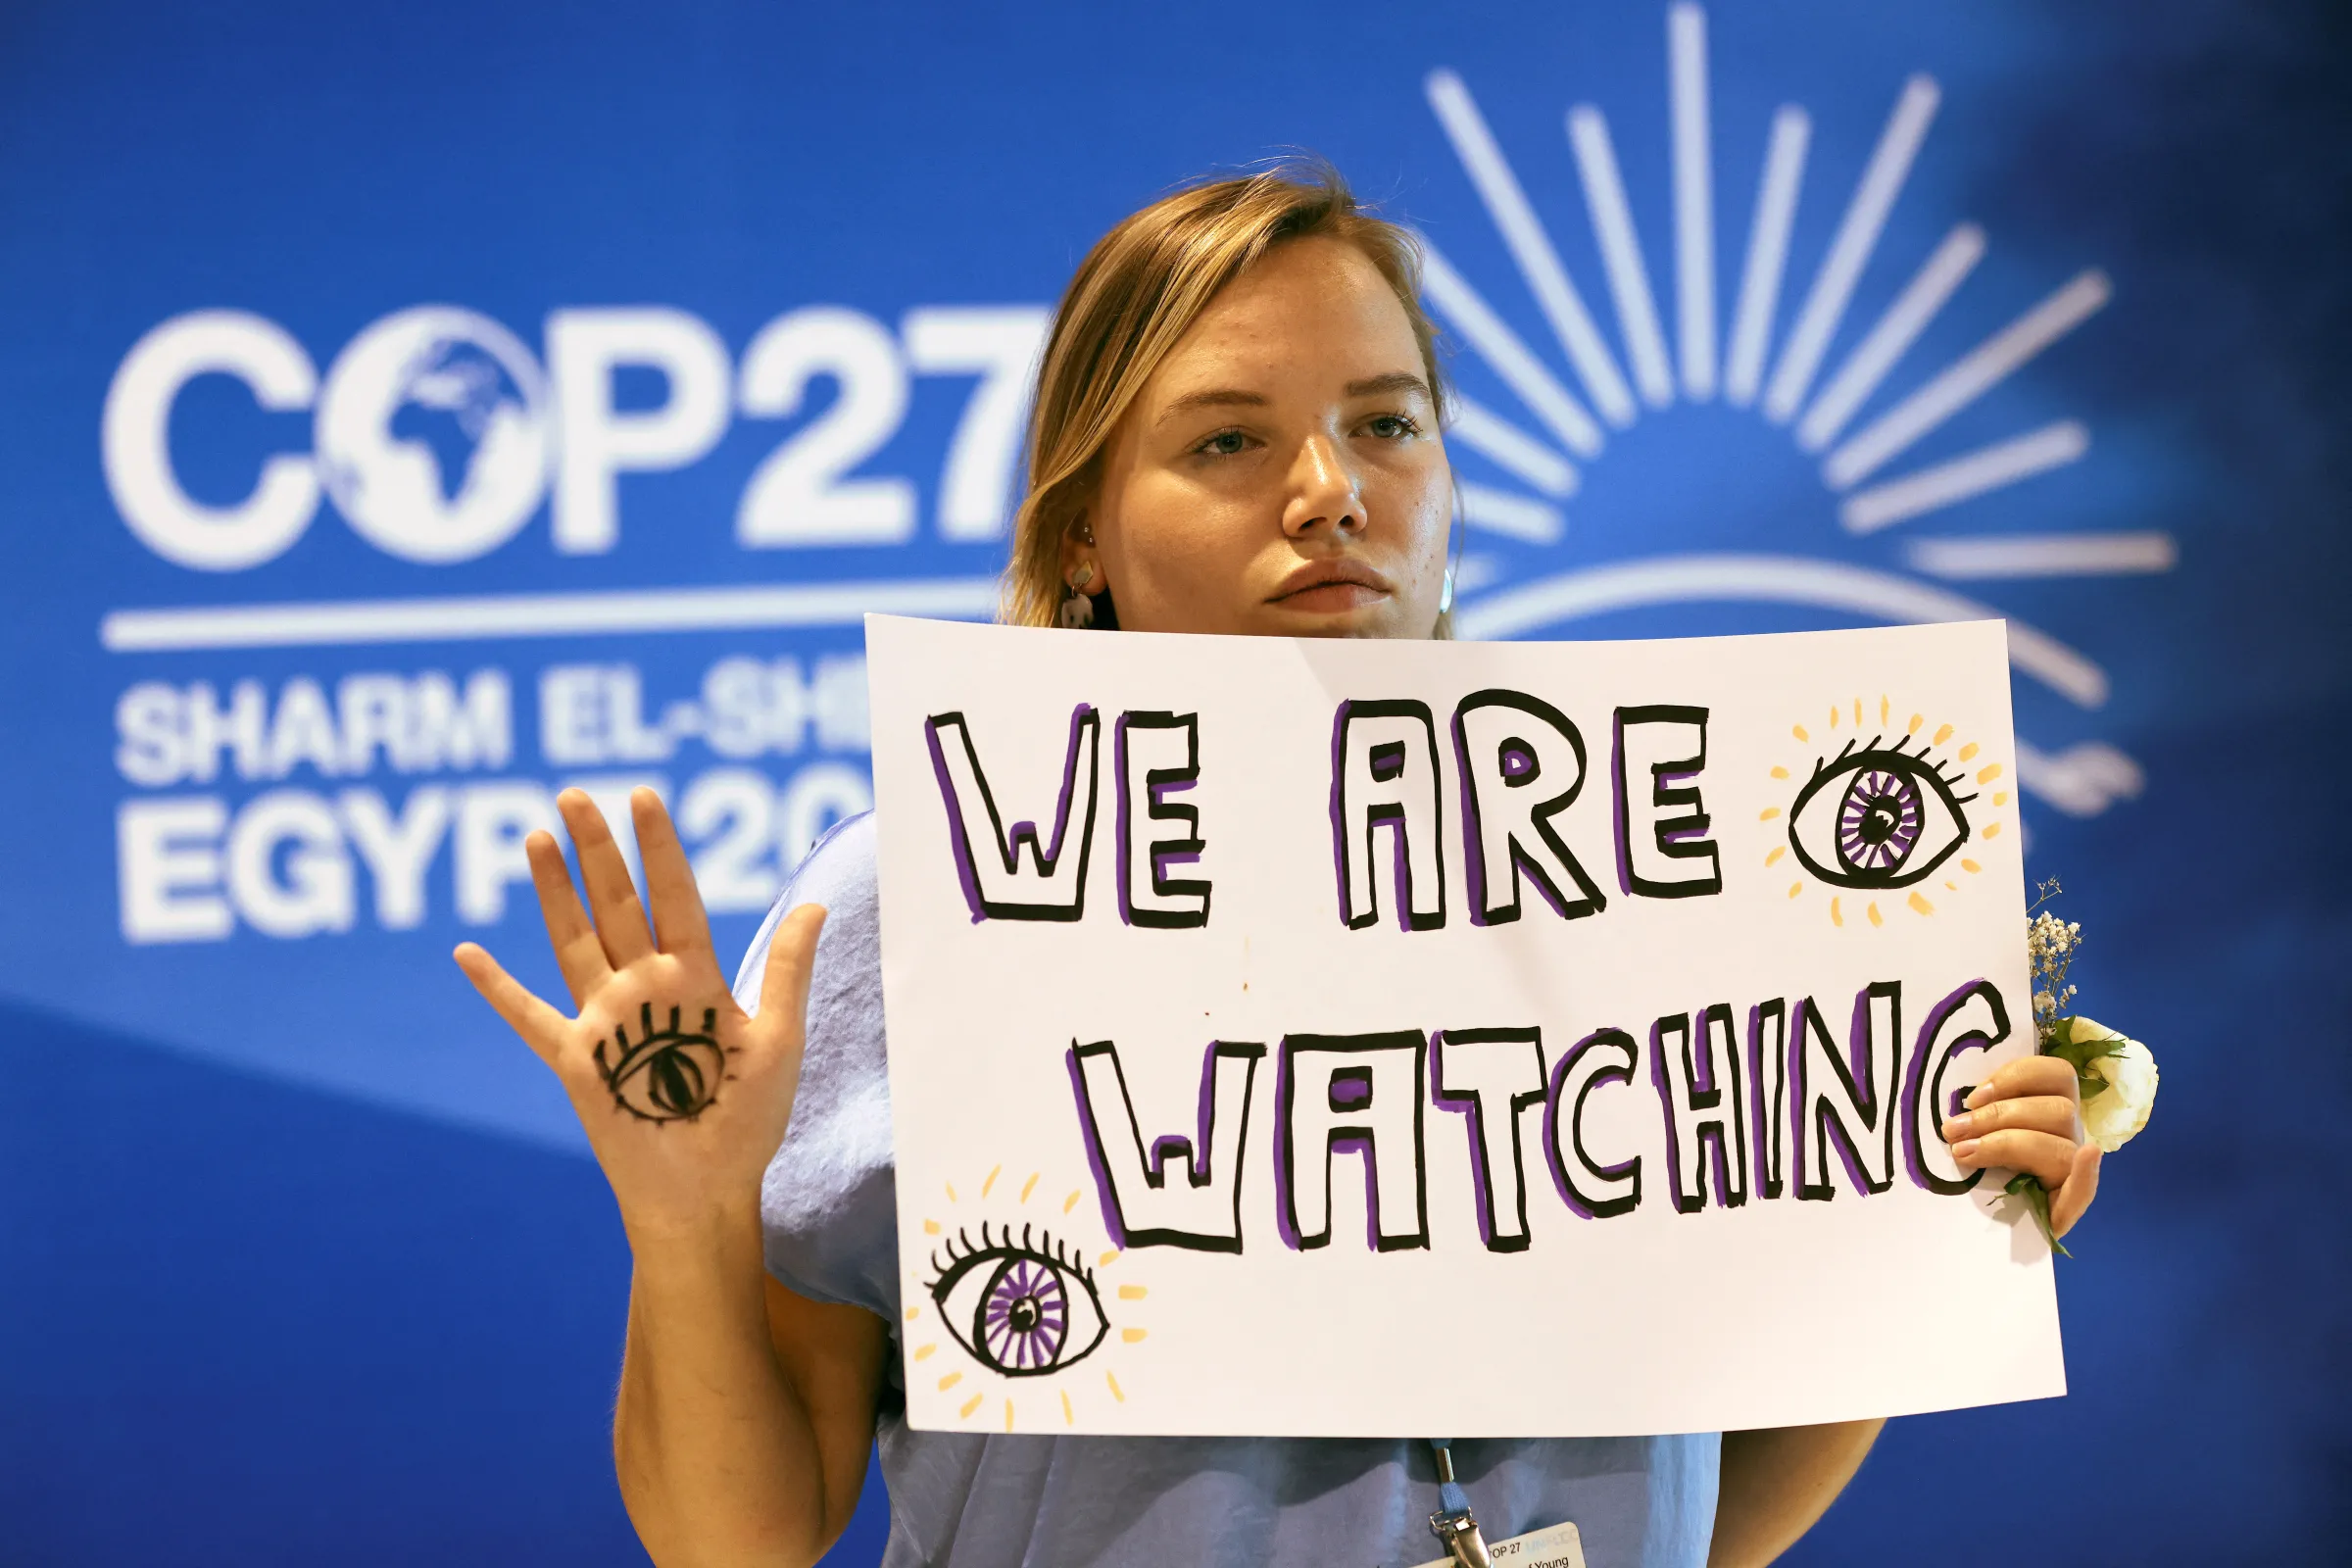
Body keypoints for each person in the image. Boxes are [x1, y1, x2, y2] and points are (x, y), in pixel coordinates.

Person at [454, 163, 2105, 1568]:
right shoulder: (928, 892)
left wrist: (1915, 1228)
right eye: (1231, 443)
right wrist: (683, 1222)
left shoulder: (1662, 872)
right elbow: (737, 1538)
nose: (1332, 493)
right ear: (1083, 535)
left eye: (1387, 423)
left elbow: (1707, 1522)